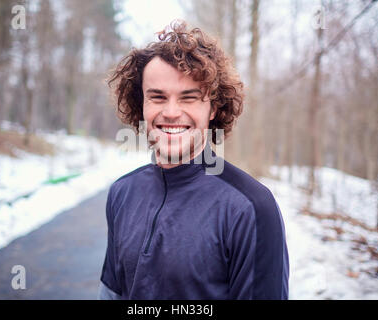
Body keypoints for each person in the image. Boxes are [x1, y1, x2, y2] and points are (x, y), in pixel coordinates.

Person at [99, 20, 289, 300]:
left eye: (189, 98)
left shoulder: (251, 208)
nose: (172, 112)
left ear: (213, 107)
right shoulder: (121, 193)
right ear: (142, 104)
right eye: (158, 97)